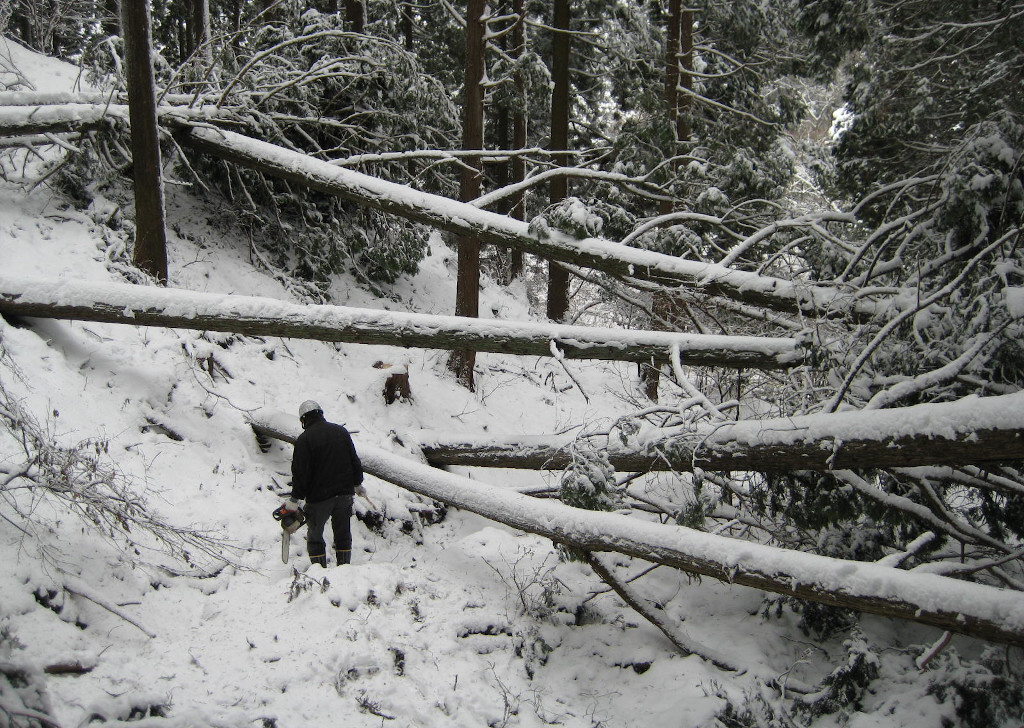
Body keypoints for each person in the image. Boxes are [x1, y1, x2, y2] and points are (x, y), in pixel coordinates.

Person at [281, 400, 363, 567]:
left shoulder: (304, 440)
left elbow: (300, 473)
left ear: (303, 419)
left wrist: (295, 499)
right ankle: (345, 568)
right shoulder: (341, 431)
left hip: (319, 497)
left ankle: (319, 570)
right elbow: (354, 460)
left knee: (315, 536)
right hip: (345, 494)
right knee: (343, 533)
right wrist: (357, 483)